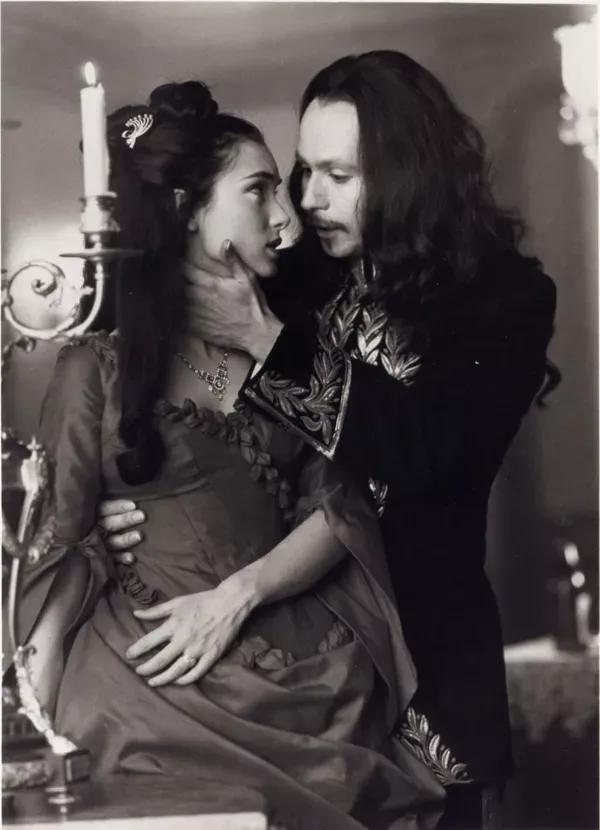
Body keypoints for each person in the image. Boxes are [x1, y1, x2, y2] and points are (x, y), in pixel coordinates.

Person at [100, 52, 557, 829]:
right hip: (283, 674)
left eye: (338, 175)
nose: (308, 199)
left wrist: (267, 340)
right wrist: (126, 506)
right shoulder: (292, 274)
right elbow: (172, 390)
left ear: (409, 174)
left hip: (427, 667)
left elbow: (426, 453)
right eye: (304, 170)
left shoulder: (504, 298)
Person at [21, 81, 445, 830]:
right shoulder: (95, 367)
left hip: (312, 671)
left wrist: (237, 597)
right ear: (187, 209)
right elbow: (56, 547)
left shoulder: (286, 343)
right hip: (152, 685)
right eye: (259, 190)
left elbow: (341, 506)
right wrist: (34, 724)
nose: (287, 217)